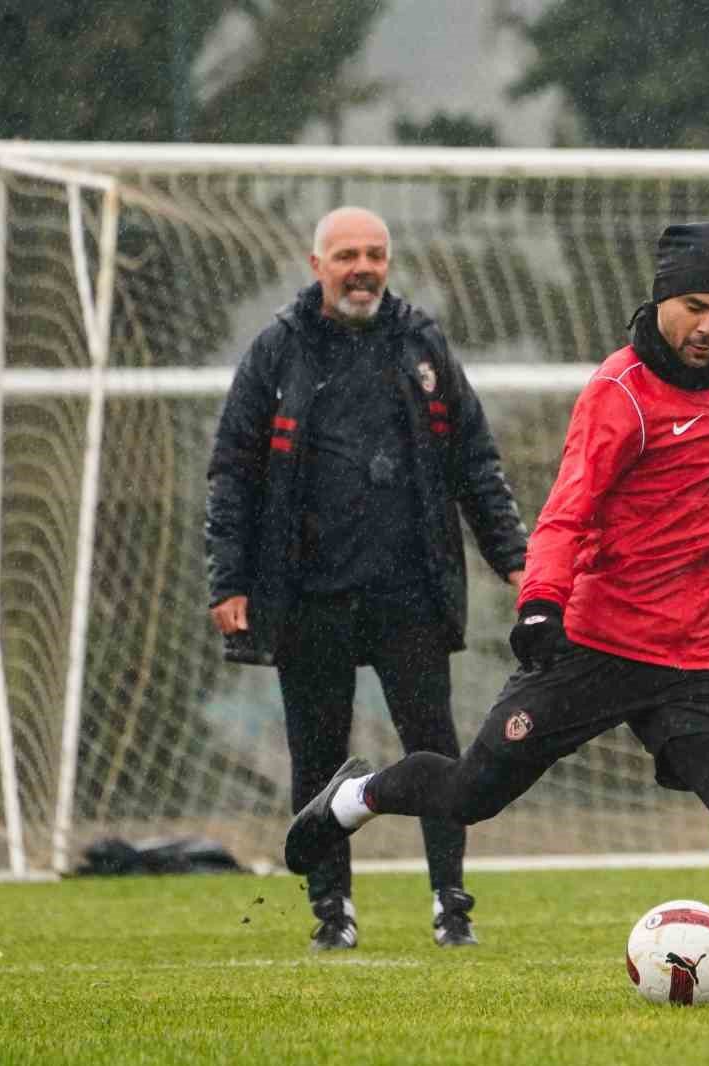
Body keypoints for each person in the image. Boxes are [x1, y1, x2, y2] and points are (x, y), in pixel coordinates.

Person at [284, 221, 709, 987]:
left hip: (696, 653)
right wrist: (540, 603)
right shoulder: (619, 394)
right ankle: (353, 798)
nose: (708, 328)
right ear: (661, 298)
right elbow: (568, 510)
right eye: (694, 307)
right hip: (597, 643)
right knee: (472, 793)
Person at [205, 206, 529, 952]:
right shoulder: (276, 352)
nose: (363, 267)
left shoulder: (422, 344)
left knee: (437, 754)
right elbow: (232, 474)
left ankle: (452, 904)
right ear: (315, 263)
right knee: (318, 757)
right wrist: (230, 581)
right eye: (348, 253)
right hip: (307, 596)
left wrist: (514, 559)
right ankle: (332, 914)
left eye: (376, 253)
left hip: (410, 592)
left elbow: (475, 463)